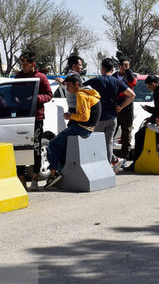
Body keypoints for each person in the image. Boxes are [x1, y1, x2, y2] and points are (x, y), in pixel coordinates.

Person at [44, 73, 102, 189]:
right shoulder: (89, 92)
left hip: (82, 128)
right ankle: (62, 172)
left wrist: (70, 116)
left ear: (76, 84)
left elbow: (84, 117)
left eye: (69, 86)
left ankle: (53, 174)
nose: (67, 89)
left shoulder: (81, 94)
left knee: (53, 144)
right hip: (88, 128)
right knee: (62, 146)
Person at [84, 57, 135, 165]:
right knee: (108, 143)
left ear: (102, 68)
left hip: (99, 117)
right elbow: (132, 95)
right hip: (112, 118)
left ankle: (98, 166)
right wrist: (121, 106)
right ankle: (107, 167)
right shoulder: (116, 81)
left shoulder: (96, 80)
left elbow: (80, 88)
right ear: (112, 69)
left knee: (97, 143)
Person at [16, 51, 53, 190]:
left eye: (26, 64)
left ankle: (35, 179)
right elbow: (13, 93)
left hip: (36, 117)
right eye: (22, 64)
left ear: (33, 64)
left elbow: (49, 95)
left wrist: (36, 99)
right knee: (20, 147)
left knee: (36, 148)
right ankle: (21, 180)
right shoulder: (18, 77)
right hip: (20, 117)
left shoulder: (41, 77)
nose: (24, 67)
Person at [126, 75, 159, 170]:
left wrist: (149, 114)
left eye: (149, 87)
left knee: (139, 136)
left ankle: (136, 163)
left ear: (154, 84)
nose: (149, 89)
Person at [114, 58, 137, 158]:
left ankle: (124, 156)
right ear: (118, 66)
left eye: (126, 65)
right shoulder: (114, 76)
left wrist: (128, 70)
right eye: (122, 65)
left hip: (127, 108)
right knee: (111, 132)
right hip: (115, 108)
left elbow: (133, 83)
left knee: (126, 134)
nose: (123, 68)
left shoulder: (130, 76)